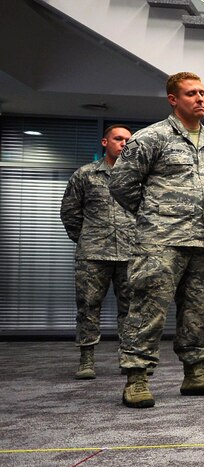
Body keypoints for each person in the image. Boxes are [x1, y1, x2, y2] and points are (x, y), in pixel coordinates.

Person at [109, 72, 204, 408]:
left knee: (197, 312)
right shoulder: (152, 138)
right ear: (173, 99)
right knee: (148, 309)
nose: (200, 98)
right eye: (191, 93)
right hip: (160, 242)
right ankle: (137, 378)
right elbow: (121, 184)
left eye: (202, 93)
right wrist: (155, 215)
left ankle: (195, 374)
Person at [60, 124, 135, 380]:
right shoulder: (85, 175)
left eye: (128, 140)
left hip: (129, 253)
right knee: (88, 307)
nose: (123, 144)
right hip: (93, 255)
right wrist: (86, 239)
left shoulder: (137, 177)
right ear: (105, 142)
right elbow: (70, 212)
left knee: (130, 309)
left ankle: (128, 358)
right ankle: (87, 359)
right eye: (118, 139)